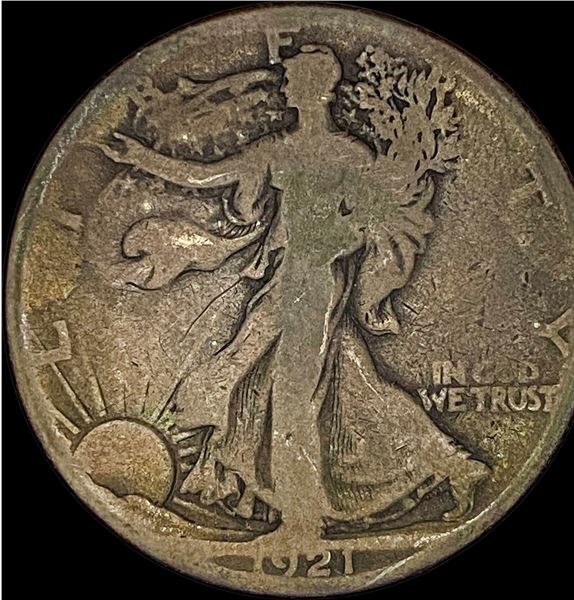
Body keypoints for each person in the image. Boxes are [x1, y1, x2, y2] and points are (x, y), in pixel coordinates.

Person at [98, 44, 489, 536]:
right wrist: (142, 158)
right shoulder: (281, 150)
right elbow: (207, 175)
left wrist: (330, 247)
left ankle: (302, 520)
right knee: (354, 382)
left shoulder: (348, 156)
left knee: (291, 397)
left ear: (320, 88)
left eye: (297, 79)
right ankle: (455, 465)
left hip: (316, 282)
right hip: (290, 279)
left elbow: (366, 227)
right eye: (289, 79)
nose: (288, 86)